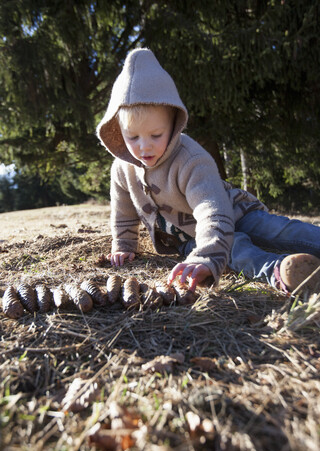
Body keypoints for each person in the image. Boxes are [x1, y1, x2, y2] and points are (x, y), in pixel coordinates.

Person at [97, 47, 320, 294]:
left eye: (156, 135)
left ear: (174, 125)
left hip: (235, 213)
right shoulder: (122, 169)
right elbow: (123, 210)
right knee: (238, 252)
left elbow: (212, 210)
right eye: (133, 137)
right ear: (118, 132)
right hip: (188, 237)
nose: (144, 146)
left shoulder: (191, 158)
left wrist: (206, 256)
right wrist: (125, 244)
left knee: (282, 231)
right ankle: (284, 272)